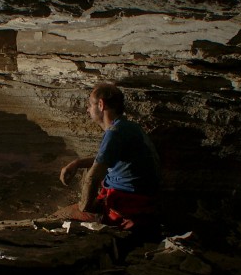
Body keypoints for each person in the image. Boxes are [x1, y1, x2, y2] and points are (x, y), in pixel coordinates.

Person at [55, 82, 161, 240]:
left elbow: (93, 177)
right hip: (141, 198)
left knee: (58, 218)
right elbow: (107, 158)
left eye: (90, 105)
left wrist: (85, 206)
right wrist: (77, 163)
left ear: (101, 104)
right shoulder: (128, 127)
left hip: (126, 203)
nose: (87, 109)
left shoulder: (114, 133)